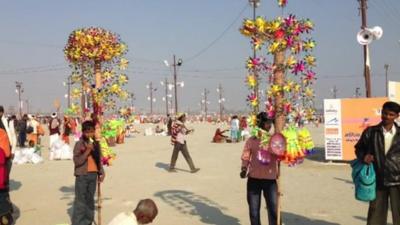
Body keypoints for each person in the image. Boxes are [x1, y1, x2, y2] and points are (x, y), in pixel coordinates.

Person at [355, 101, 400, 225]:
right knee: (376, 215)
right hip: (378, 179)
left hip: (398, 180)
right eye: (384, 113)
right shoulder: (371, 132)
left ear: (397, 116)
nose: (387, 117)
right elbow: (359, 148)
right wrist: (364, 156)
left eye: (391, 114)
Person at [240, 112, 277, 225]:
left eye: (270, 122)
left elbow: (280, 153)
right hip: (253, 179)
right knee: (254, 211)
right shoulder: (251, 140)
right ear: (260, 123)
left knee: (273, 210)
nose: (269, 125)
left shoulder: (274, 140)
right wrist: (244, 168)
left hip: (270, 180)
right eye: (267, 122)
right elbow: (246, 155)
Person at [72, 120, 105, 225]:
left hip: (93, 175)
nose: (89, 134)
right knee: (80, 201)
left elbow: (98, 159)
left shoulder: (96, 143)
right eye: (87, 132)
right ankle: (78, 222)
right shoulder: (79, 144)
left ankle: (88, 221)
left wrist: (101, 172)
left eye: (91, 132)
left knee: (90, 200)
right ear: (83, 132)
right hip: (82, 175)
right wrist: (87, 151)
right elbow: (77, 161)